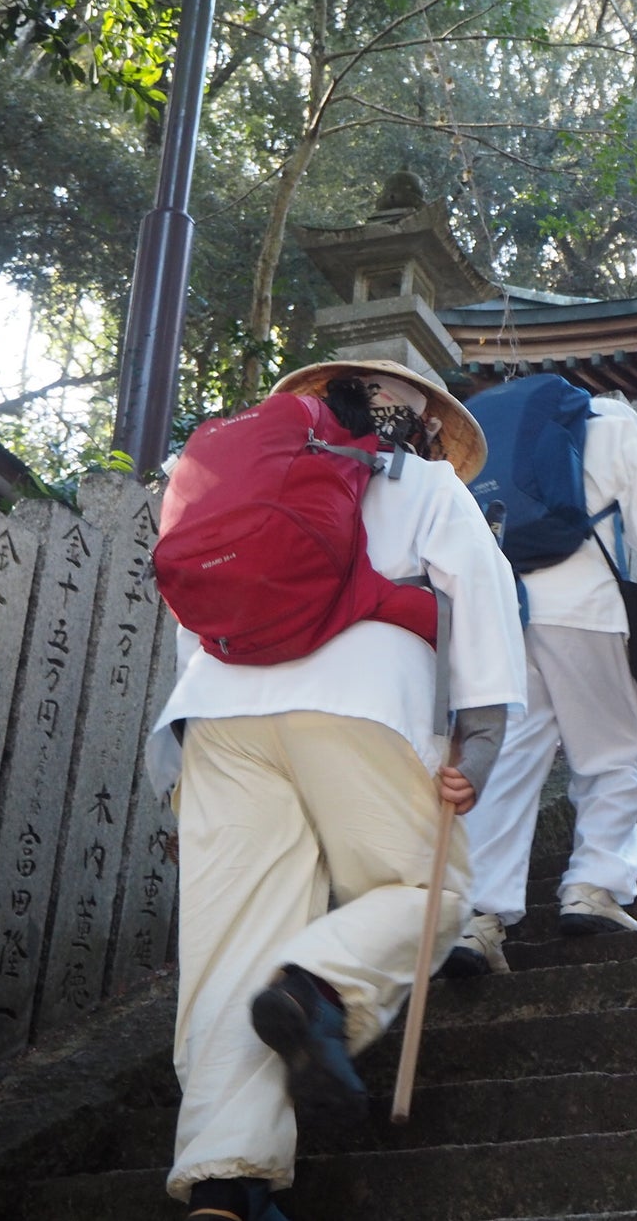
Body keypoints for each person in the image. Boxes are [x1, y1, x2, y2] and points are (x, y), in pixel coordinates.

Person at [145, 360, 528, 1221]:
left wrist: (178, 752)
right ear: (420, 424)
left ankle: (223, 1185)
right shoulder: (426, 481)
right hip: (362, 703)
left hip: (220, 714)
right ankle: (318, 989)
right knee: (430, 890)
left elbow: (197, 613)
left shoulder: (230, 470)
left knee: (229, 950)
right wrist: (482, 741)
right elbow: (481, 601)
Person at [448, 387, 637, 972]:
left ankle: (478, 919)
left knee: (512, 761)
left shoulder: (494, 439)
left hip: (507, 613)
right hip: (586, 611)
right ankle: (593, 888)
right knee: (615, 753)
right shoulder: (608, 423)